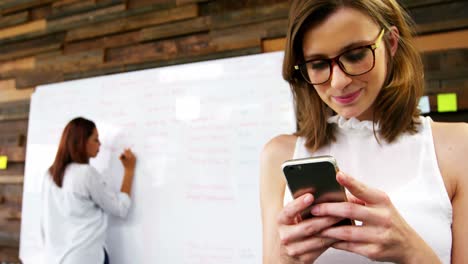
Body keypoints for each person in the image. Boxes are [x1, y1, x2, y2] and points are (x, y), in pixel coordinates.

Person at [260, 0, 467, 263]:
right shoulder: (278, 155)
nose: (339, 82)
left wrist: (412, 251)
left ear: (391, 43)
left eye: (355, 55)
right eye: (318, 64)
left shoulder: (458, 146)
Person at [40, 117, 137, 264]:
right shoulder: (85, 173)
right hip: (84, 257)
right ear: (81, 142)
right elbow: (120, 208)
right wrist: (129, 171)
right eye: (95, 139)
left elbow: (44, 223)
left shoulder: (49, 175)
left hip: (55, 258)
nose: (100, 144)